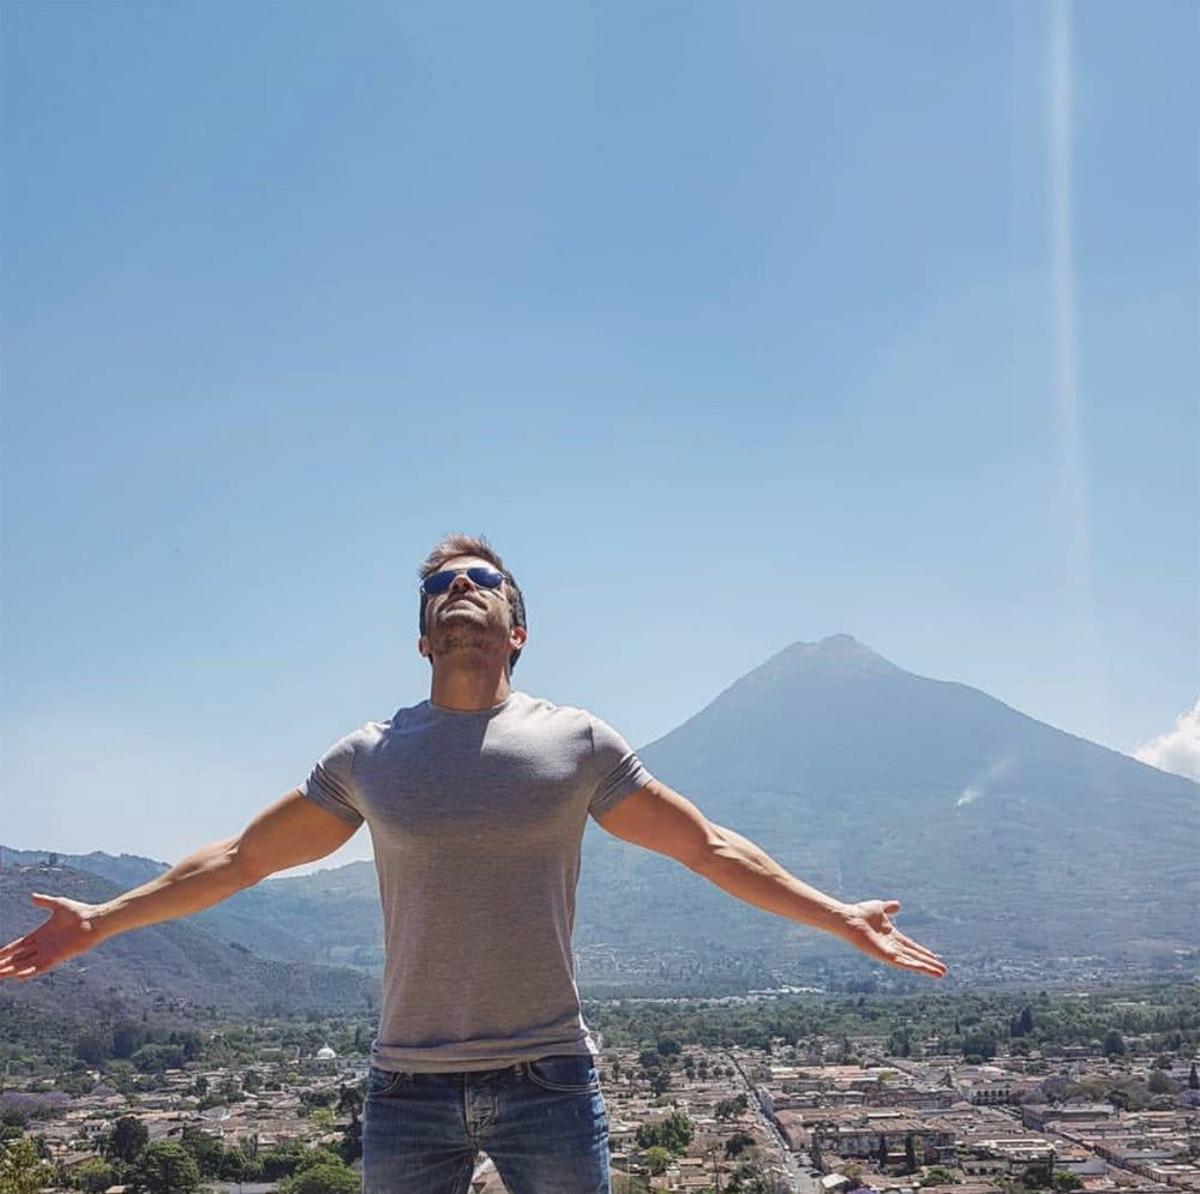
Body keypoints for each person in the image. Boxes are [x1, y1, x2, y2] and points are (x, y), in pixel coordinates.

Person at [0, 533, 947, 1194]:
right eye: (441, 585)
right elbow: (243, 860)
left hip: (550, 1080)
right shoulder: (368, 756)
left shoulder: (577, 741)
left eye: (481, 579)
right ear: (422, 638)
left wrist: (836, 914)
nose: (459, 587)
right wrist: (100, 921)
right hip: (405, 1085)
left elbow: (707, 847)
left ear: (516, 628)